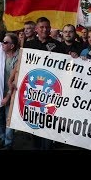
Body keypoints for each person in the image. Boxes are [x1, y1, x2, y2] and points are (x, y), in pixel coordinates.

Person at [23, 16, 65, 150]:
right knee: (35, 125)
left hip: (50, 90)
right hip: (34, 91)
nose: (45, 29)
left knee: (48, 123)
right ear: (36, 29)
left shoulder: (58, 46)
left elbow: (65, 67)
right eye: (41, 27)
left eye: (47, 27)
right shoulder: (28, 45)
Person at [0, 33, 19, 150]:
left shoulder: (17, 59)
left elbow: (14, 80)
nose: (2, 44)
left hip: (10, 94)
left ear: (12, 46)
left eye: (5, 42)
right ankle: (2, 138)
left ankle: (8, 143)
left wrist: (8, 97)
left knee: (9, 119)